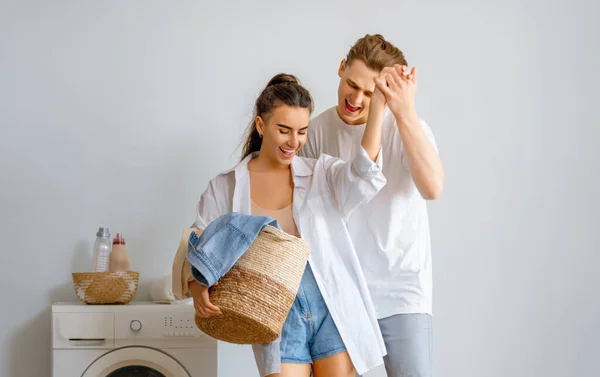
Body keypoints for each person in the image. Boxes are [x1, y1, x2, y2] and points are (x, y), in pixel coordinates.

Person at [186, 72, 396, 377]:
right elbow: (198, 241)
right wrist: (196, 285)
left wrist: (377, 108)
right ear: (261, 125)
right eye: (284, 130)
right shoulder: (226, 186)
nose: (294, 142)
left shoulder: (321, 172)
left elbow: (364, 176)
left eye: (302, 131)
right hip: (275, 313)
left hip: (331, 306)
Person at [299, 34, 445, 377]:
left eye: (369, 93)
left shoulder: (407, 127)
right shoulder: (316, 131)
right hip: (339, 291)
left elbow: (432, 187)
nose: (356, 99)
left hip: (401, 290)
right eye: (352, 84)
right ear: (340, 68)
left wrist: (402, 109)